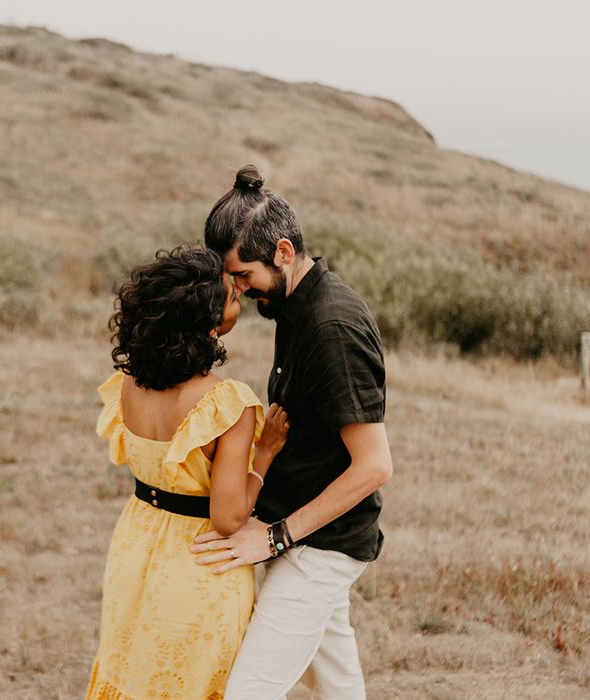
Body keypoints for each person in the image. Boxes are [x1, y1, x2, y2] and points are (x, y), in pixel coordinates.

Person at [192, 164, 393, 699]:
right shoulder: (292, 307)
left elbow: (374, 466)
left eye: (242, 276)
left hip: (320, 547)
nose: (237, 291)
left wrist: (277, 536)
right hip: (300, 531)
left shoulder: (332, 327)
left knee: (246, 694)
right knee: (338, 684)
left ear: (282, 252)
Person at [85, 245, 289, 700]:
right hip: (198, 561)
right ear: (211, 325)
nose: (240, 297)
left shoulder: (129, 385)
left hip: (135, 544)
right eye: (232, 299)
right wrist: (266, 454)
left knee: (132, 672)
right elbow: (228, 518)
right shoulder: (226, 403)